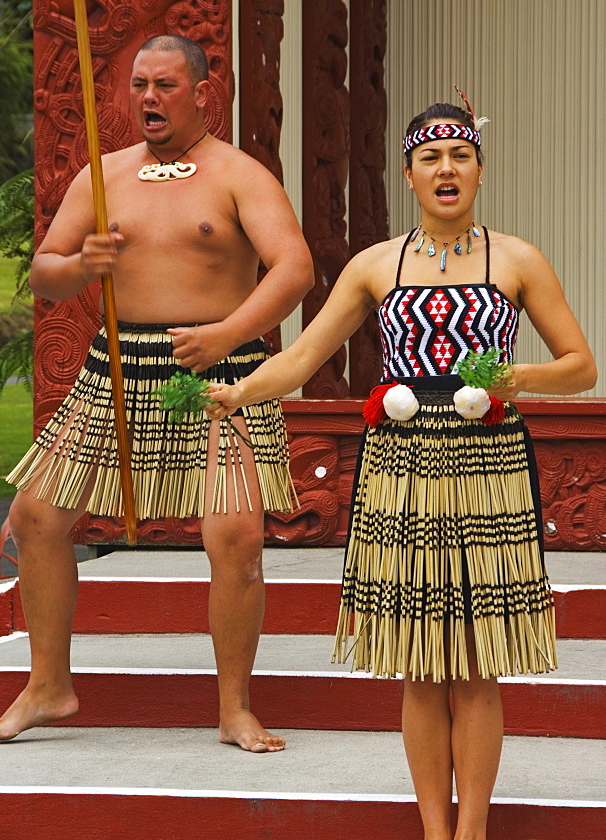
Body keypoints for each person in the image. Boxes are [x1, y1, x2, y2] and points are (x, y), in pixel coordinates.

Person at [206, 101, 597, 838]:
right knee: (419, 663)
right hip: (400, 466)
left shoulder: (516, 259)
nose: (445, 169)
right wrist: (236, 391)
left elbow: (580, 367)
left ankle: (471, 832)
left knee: (476, 662)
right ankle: (431, 828)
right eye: (430, 158)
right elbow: (298, 357)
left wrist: (512, 379)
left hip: (487, 466)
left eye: (458, 156)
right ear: (409, 175)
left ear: (478, 170)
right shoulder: (373, 265)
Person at [0, 34, 314, 753]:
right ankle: (48, 686)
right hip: (118, 368)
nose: (149, 98)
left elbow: (294, 269)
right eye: (139, 86)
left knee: (236, 537)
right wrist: (80, 264)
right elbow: (44, 274)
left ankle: (233, 707)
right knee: (36, 518)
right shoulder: (104, 177)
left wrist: (228, 332)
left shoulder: (238, 174)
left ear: (200, 92)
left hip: (218, 372)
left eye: (164, 85)